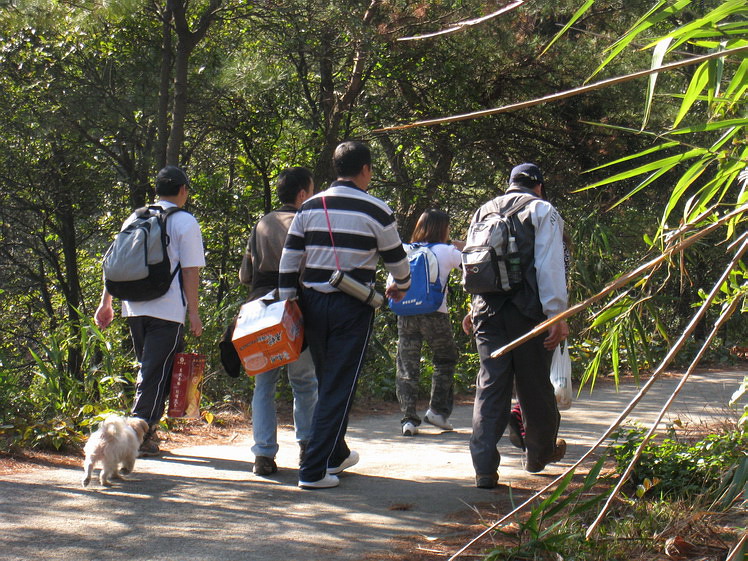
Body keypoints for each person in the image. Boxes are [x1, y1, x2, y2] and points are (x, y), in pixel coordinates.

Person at [278, 140, 411, 489]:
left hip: (310, 303)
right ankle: (313, 470)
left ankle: (334, 456)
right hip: (352, 305)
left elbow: (290, 259)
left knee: (328, 380)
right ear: (365, 170)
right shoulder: (377, 209)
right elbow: (398, 262)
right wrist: (401, 285)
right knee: (339, 385)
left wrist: (289, 301)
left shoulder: (310, 206)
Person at [462, 162, 569, 489]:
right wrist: (557, 314)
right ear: (539, 186)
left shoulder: (483, 211)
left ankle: (484, 468)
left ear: (510, 183)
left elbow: (473, 262)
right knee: (534, 386)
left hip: (486, 311)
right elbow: (549, 264)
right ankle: (537, 455)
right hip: (528, 315)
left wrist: (472, 308)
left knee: (490, 385)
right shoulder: (542, 210)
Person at [95, 165, 205, 456]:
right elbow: (190, 271)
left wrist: (106, 302)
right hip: (167, 309)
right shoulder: (185, 221)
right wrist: (194, 313)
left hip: (133, 306)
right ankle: (136, 437)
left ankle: (146, 431)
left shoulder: (135, 217)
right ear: (182, 190)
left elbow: (115, 263)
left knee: (152, 370)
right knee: (154, 372)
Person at [238, 167, 318, 476]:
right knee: (304, 382)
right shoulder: (307, 222)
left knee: (264, 384)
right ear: (302, 194)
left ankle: (263, 454)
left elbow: (245, 274)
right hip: (296, 309)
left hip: (261, 311)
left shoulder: (262, 223)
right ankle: (308, 447)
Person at [395, 209, 465, 437]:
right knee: (445, 358)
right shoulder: (446, 251)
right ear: (443, 228)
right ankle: (437, 411)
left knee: (407, 365)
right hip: (435, 313)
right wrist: (464, 247)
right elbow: (473, 266)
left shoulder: (406, 250)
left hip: (406, 312)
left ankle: (408, 420)